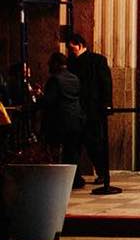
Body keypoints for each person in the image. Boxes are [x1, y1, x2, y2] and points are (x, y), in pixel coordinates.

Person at [66, 33, 113, 186]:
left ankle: (101, 174)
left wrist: (106, 104)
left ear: (79, 45)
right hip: (83, 110)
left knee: (93, 144)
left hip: (91, 110)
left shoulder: (97, 60)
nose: (70, 51)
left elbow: (106, 83)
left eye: (71, 48)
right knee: (78, 145)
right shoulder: (73, 62)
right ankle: (77, 177)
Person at [41, 52, 85, 187]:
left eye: (50, 63)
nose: (48, 66)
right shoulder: (74, 78)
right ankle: (75, 179)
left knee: (58, 151)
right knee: (72, 151)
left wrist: (37, 101)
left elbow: (49, 101)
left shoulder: (55, 79)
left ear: (56, 64)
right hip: (76, 119)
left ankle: (61, 180)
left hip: (60, 121)